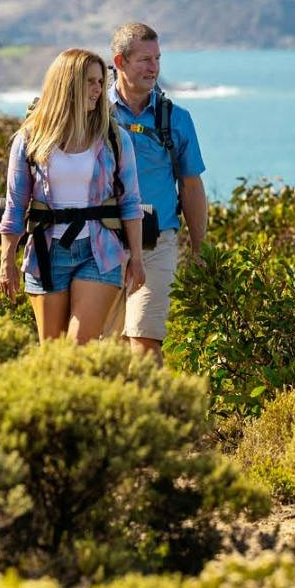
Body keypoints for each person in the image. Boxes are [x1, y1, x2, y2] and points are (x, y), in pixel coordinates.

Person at [0, 48, 146, 342]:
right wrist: (6, 262)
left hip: (99, 252)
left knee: (79, 347)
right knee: (52, 352)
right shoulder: (30, 138)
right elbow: (15, 206)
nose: (98, 90)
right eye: (90, 82)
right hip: (45, 254)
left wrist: (137, 259)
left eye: (101, 82)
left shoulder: (114, 138)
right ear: (68, 84)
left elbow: (130, 202)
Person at [104, 22, 207, 362]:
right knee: (108, 347)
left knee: (144, 341)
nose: (154, 68)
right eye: (144, 60)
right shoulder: (94, 114)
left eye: (157, 59)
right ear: (119, 62)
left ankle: (157, 410)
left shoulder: (176, 119)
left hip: (156, 241)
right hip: (103, 239)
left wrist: (198, 247)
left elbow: (191, 185)